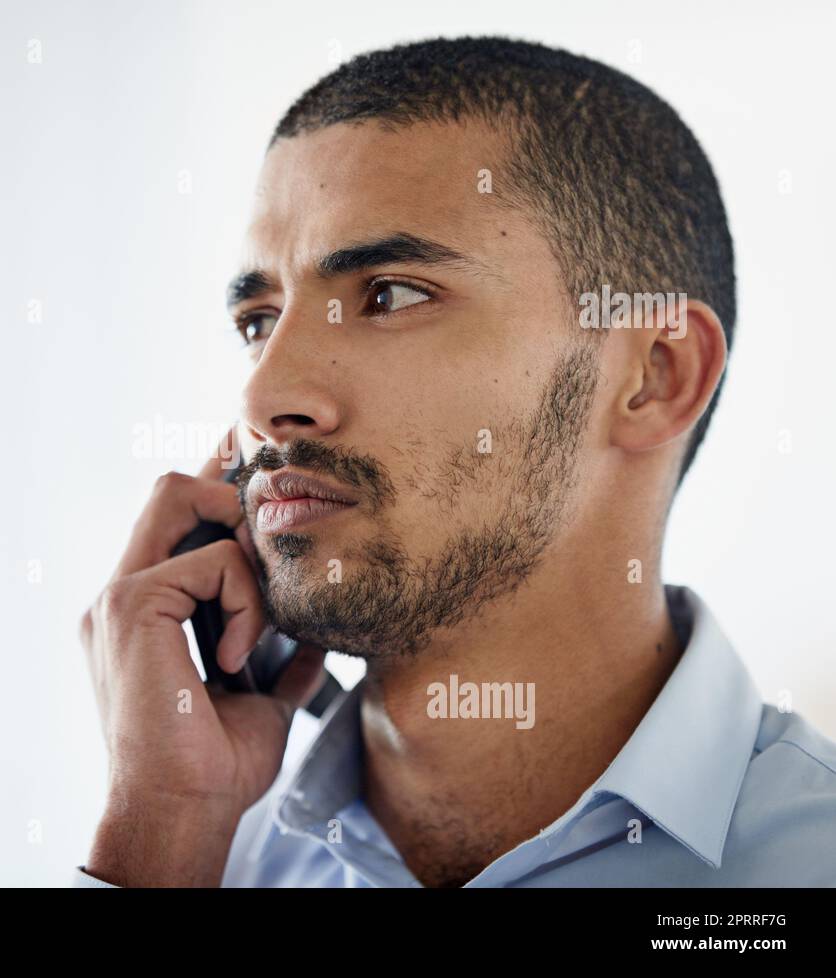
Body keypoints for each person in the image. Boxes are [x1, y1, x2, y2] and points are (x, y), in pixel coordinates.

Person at [75, 36, 836, 887]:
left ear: (654, 377)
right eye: (259, 320)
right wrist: (164, 824)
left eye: (389, 295)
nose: (263, 399)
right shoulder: (197, 852)